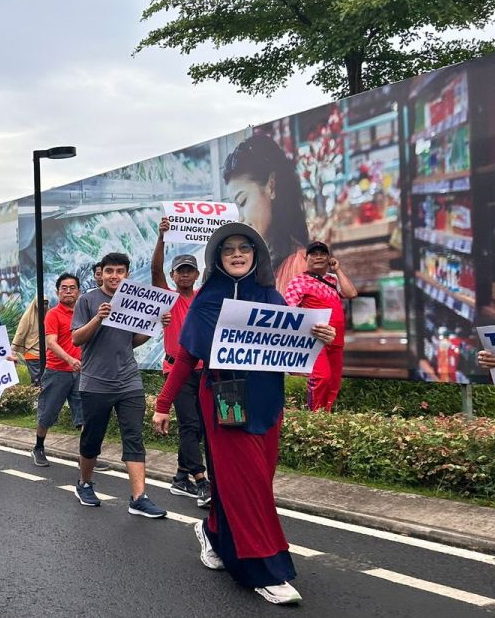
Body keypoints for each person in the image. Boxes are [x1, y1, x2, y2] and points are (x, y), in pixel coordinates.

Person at [154, 222, 336, 605]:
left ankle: (214, 531)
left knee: (252, 482)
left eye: (245, 248)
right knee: (248, 484)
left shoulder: (271, 296)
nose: (237, 254)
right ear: (217, 258)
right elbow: (187, 355)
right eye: (227, 249)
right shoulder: (206, 299)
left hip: (268, 403)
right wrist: (163, 404)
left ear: (256, 255)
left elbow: (291, 350)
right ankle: (265, 569)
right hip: (225, 401)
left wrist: (320, 339)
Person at [71, 253, 167, 518]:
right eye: (110, 271)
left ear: (127, 273)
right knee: (92, 439)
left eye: (120, 271)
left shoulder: (133, 300)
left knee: (134, 438)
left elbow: (132, 341)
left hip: (129, 381)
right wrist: (97, 319)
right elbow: (77, 339)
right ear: (101, 273)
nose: (115, 276)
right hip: (95, 383)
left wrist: (155, 324)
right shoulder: (88, 300)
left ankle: (139, 497)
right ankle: (85, 483)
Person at [151, 217, 211, 506]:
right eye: (180, 272)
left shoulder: (203, 298)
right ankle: (200, 479)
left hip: (203, 370)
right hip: (176, 370)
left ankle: (179, 476)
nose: (185, 276)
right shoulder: (168, 299)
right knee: (190, 424)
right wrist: (161, 237)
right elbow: (154, 270)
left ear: (197, 274)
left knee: (200, 425)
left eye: (189, 271)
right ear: (173, 276)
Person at [224, 132, 311, 293]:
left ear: (271, 185)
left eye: (243, 201)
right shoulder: (253, 264)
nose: (240, 218)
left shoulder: (300, 266)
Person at [284, 241, 357, 412]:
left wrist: (337, 269)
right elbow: (289, 311)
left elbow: (351, 293)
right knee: (321, 378)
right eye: (314, 254)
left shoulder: (333, 279)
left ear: (328, 258)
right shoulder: (298, 281)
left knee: (334, 382)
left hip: (336, 339)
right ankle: (315, 415)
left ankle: (326, 416)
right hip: (314, 339)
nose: (318, 257)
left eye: (322, 254)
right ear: (306, 258)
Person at [30, 274, 84, 467]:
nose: (68, 291)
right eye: (64, 288)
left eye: (72, 288)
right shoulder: (53, 314)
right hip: (57, 371)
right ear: (57, 292)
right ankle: (38, 447)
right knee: (48, 413)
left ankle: (86, 456)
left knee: (85, 415)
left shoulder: (84, 313)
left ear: (79, 291)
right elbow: (51, 343)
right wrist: (70, 359)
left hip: (82, 372)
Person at [11, 298, 46, 385]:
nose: (44, 306)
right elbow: (20, 333)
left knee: (45, 381)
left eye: (46, 303)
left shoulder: (48, 314)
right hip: (32, 353)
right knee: (37, 380)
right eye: (41, 303)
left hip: (46, 353)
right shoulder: (28, 316)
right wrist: (13, 350)